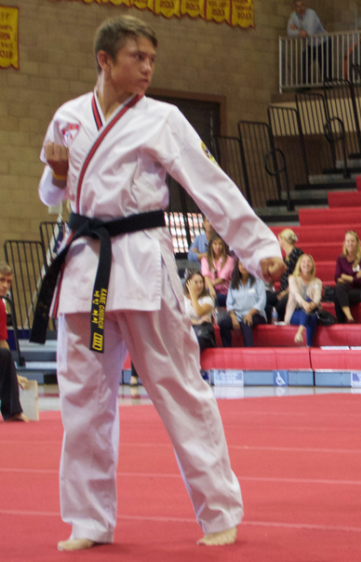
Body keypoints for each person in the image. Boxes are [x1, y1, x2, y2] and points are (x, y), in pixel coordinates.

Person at [36, 15, 284, 550]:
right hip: (86, 275)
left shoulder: (163, 119)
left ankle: (219, 509)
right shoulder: (69, 117)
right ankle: (88, 520)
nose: (148, 68)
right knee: (84, 398)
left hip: (141, 266)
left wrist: (259, 246)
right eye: (136, 58)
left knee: (177, 388)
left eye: (152, 59)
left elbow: (210, 185)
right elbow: (50, 195)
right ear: (104, 60)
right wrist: (55, 176)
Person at [0, 263, 27, 422]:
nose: (5, 285)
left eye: (9, 281)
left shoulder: (1, 306)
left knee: (4, 354)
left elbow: (2, 341)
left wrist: (12, 373)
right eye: (1, 280)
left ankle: (12, 410)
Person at [218, 260, 267, 348]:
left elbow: (261, 301)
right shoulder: (233, 283)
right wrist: (233, 318)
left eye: (245, 265)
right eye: (241, 264)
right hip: (237, 315)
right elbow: (229, 303)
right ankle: (227, 351)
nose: (243, 267)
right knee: (223, 324)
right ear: (238, 267)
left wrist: (249, 314)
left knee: (246, 322)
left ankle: (249, 351)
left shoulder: (258, 281)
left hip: (255, 315)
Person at [287, 1, 331, 82]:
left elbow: (310, 32)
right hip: (310, 44)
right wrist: (300, 32)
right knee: (305, 62)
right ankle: (305, 85)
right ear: (294, 8)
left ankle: (328, 85)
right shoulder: (293, 16)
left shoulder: (311, 14)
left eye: (302, 6)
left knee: (325, 64)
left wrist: (297, 29)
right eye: (298, 6)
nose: (301, 9)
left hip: (323, 41)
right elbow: (289, 32)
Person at [285, 253, 322, 347]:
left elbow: (317, 296)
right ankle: (308, 344)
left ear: (313, 265)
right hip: (294, 312)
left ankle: (301, 336)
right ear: (299, 265)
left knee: (312, 314)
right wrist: (303, 303)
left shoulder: (317, 281)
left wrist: (313, 304)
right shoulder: (292, 278)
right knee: (311, 313)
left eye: (309, 262)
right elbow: (295, 293)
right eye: (304, 262)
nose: (306, 264)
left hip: (310, 308)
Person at [333, 230, 361, 323]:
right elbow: (336, 278)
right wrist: (354, 278)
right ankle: (349, 317)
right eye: (347, 241)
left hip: (359, 291)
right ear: (344, 243)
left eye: (352, 241)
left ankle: (341, 324)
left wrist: (345, 277)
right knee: (339, 289)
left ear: (357, 242)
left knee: (338, 294)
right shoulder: (340, 258)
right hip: (345, 290)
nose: (350, 243)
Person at [274, 229, 303, 322]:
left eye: (279, 238)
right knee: (266, 299)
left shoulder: (296, 253)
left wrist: (286, 292)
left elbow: (299, 276)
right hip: (284, 290)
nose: (278, 241)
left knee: (280, 305)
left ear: (283, 238)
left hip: (294, 291)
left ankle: (283, 323)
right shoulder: (285, 257)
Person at [183, 271, 216, 353]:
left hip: (202, 333)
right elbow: (180, 319)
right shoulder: (182, 298)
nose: (199, 285)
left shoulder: (208, 299)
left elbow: (198, 312)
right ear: (188, 283)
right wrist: (197, 322)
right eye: (196, 282)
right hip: (186, 330)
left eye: (201, 282)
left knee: (194, 342)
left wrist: (193, 294)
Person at [201, 236, 234, 307]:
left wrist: (209, 287)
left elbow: (222, 279)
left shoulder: (229, 260)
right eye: (215, 244)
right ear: (211, 245)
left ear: (224, 246)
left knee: (214, 298)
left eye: (220, 244)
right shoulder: (205, 259)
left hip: (224, 292)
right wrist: (210, 288)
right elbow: (205, 276)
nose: (217, 246)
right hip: (208, 289)